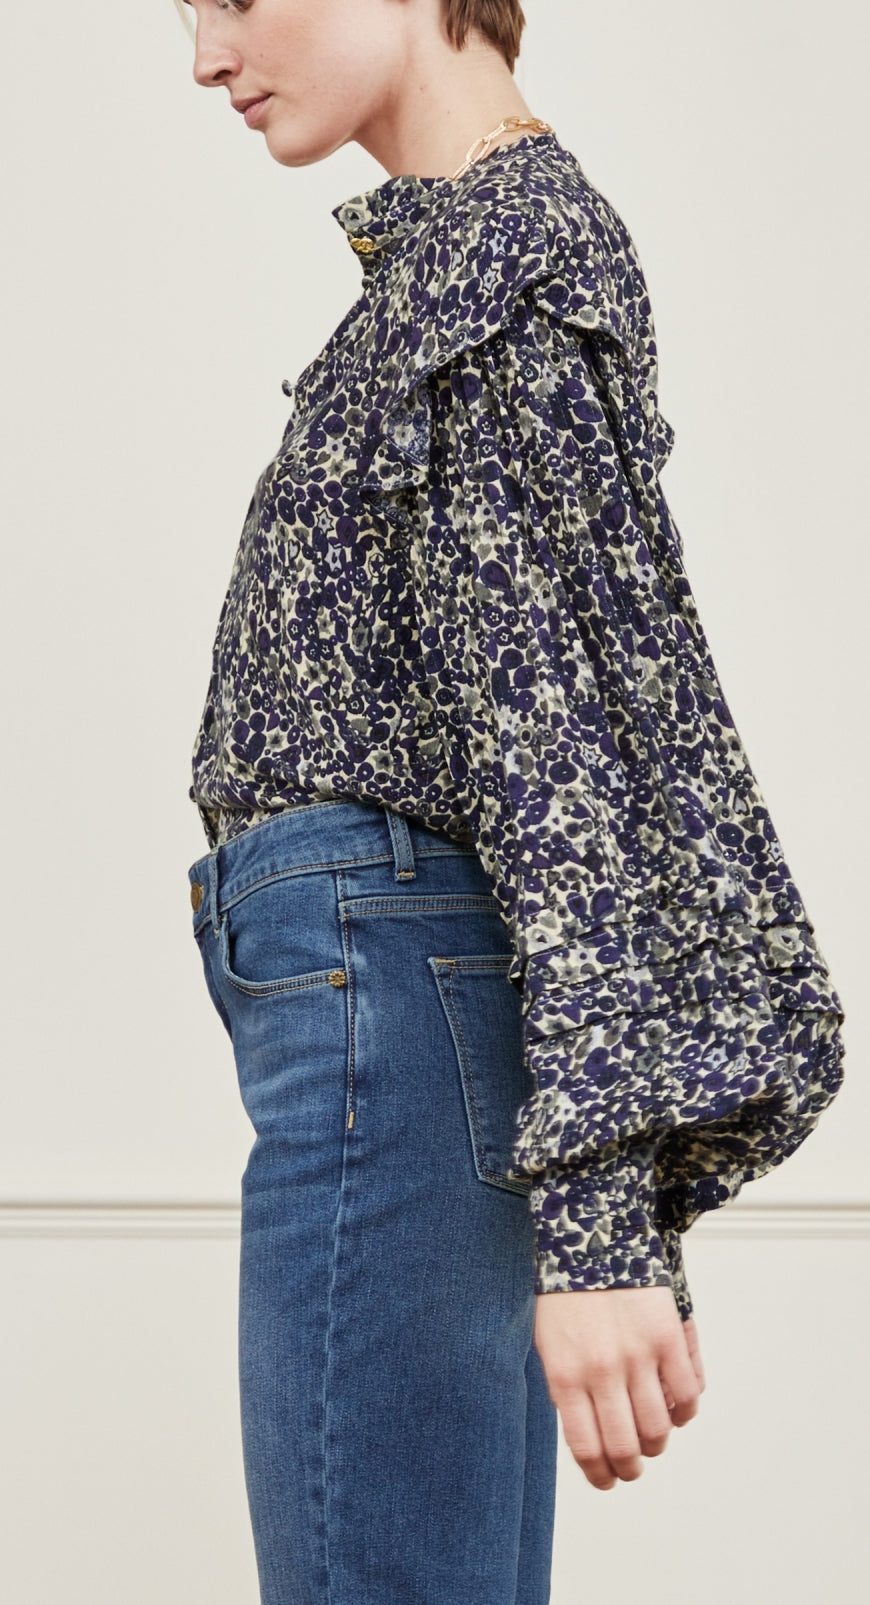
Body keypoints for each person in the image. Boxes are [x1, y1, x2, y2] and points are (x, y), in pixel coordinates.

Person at [178, 3, 847, 1601]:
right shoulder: (456, 259)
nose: (204, 55)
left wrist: (599, 1220)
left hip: (392, 1016)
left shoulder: (506, 259)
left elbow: (569, 735)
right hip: (386, 1007)